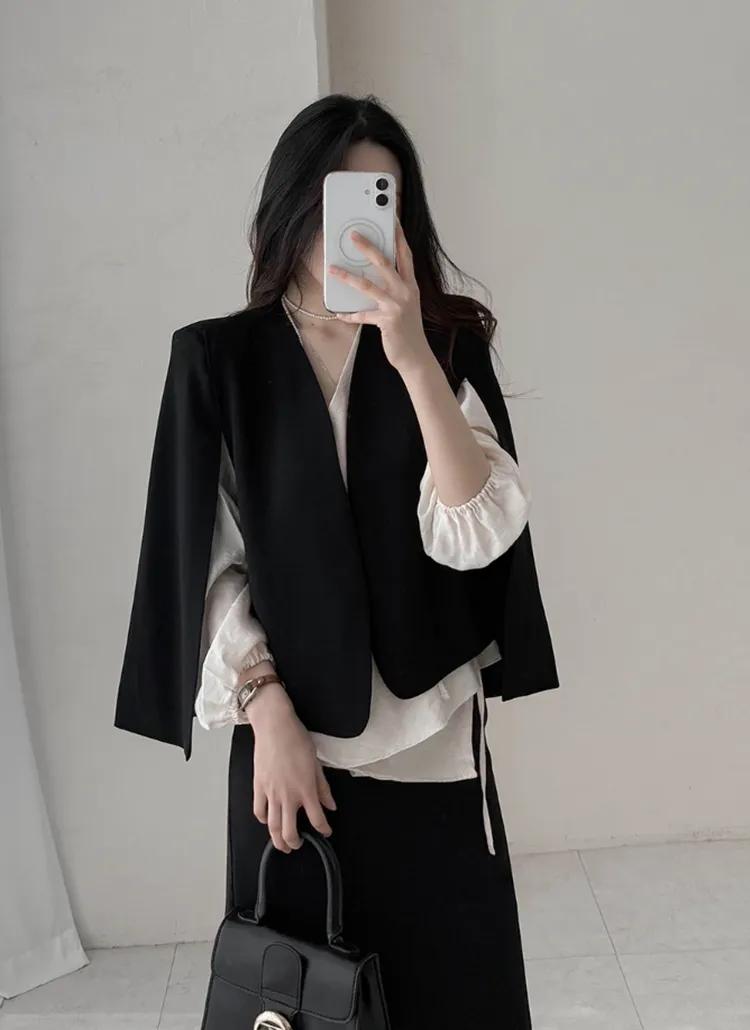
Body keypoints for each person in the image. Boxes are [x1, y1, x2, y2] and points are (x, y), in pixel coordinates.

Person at [115, 94, 558, 1029]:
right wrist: (264, 706)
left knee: (457, 1002)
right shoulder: (218, 361)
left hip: (433, 754)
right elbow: (208, 567)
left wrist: (411, 354)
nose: (348, 225)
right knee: (297, 1004)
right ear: (291, 205)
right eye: (329, 199)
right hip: (292, 758)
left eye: (374, 199)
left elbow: (477, 531)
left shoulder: (445, 345)